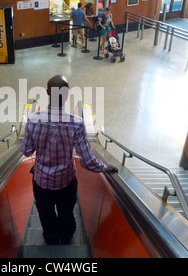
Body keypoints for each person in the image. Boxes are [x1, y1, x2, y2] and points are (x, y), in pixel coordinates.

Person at [21, 75, 117, 245]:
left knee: (45, 212)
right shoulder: (77, 124)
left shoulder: (33, 121)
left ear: (47, 93)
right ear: (66, 95)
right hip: (66, 182)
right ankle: (66, 237)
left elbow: (27, 152)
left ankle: (51, 238)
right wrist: (104, 167)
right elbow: (87, 160)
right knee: (66, 211)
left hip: (41, 181)